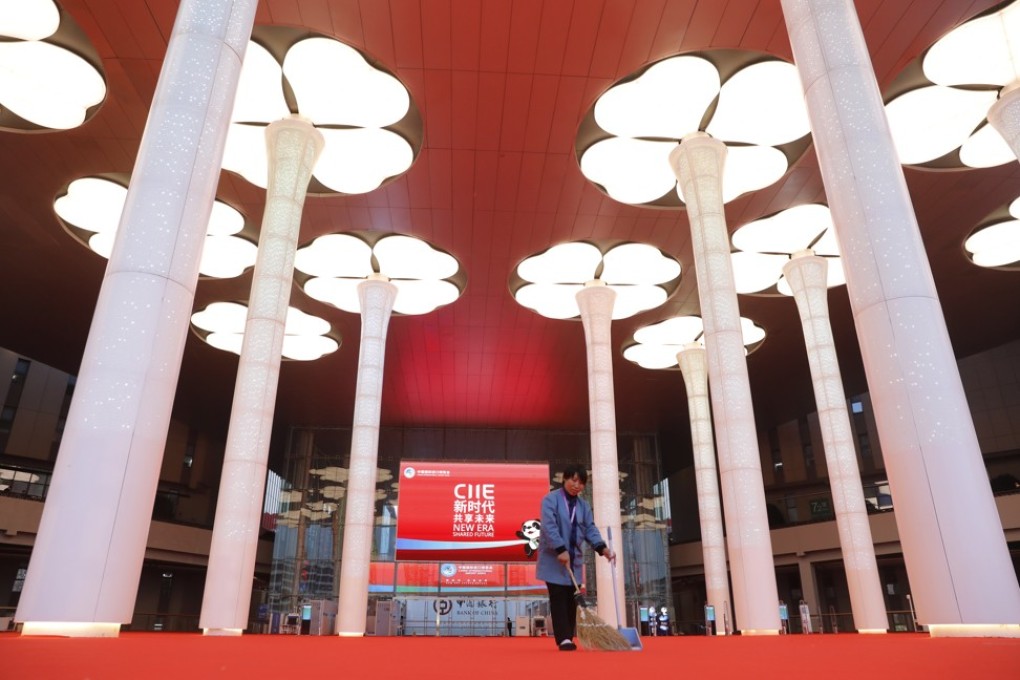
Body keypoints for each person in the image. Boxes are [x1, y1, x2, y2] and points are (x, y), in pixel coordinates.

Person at [536, 464, 615, 651]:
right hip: (553, 560)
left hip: (574, 561)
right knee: (558, 597)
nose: (576, 485)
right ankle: (563, 638)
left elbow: (590, 529)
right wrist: (560, 549)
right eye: (573, 480)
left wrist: (602, 548)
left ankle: (568, 636)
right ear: (564, 479)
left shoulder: (583, 506)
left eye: (581, 482)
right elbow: (549, 526)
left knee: (572, 598)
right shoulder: (551, 500)